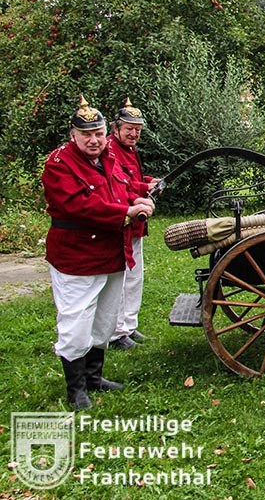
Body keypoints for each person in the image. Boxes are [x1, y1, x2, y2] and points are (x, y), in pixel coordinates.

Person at [42, 96, 155, 409]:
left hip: (111, 253)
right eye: (85, 135)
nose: (93, 140)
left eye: (97, 133)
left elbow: (121, 187)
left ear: (106, 132)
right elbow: (79, 206)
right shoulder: (59, 165)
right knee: (76, 323)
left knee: (104, 321)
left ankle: (94, 378)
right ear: (73, 135)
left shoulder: (109, 157)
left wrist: (139, 198)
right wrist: (127, 212)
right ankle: (76, 390)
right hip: (77, 257)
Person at [108, 98, 160, 351]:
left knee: (134, 276)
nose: (133, 133)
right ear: (115, 128)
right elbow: (119, 185)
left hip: (135, 222)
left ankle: (128, 326)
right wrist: (144, 187)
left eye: (137, 129)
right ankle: (117, 332)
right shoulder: (109, 151)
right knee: (122, 276)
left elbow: (133, 178)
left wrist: (148, 181)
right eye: (129, 128)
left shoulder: (128, 150)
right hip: (123, 220)